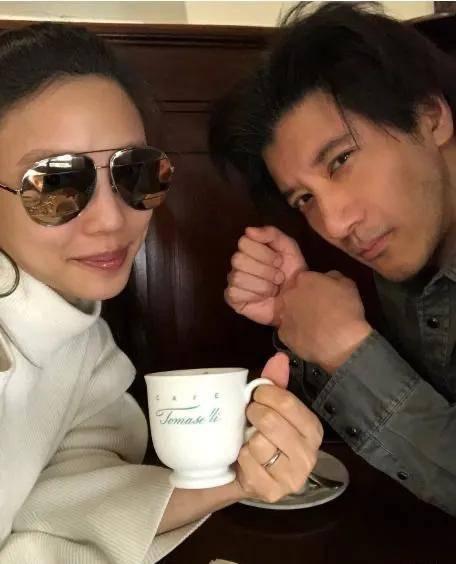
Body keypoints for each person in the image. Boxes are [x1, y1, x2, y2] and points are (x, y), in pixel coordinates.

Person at [0, 22, 323, 563]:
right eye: (54, 182)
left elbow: (60, 505)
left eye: (135, 173)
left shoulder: (84, 343)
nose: (111, 220)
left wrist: (234, 476)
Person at [210, 1, 456, 516]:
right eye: (304, 199)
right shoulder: (404, 256)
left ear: (431, 118)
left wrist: (346, 351)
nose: (335, 223)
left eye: (341, 160)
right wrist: (301, 318)